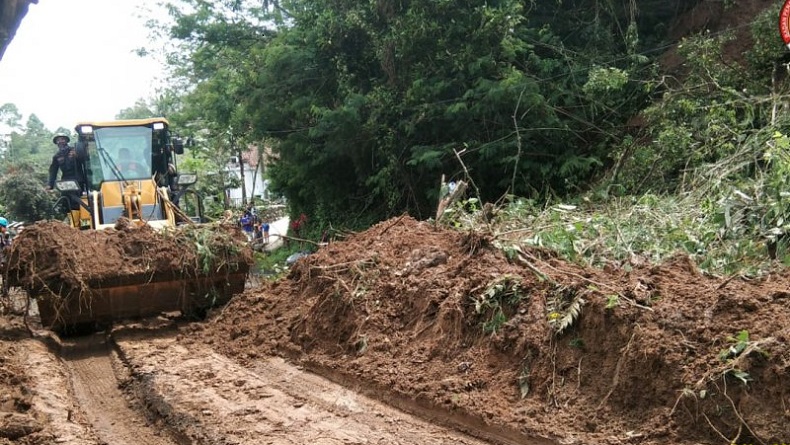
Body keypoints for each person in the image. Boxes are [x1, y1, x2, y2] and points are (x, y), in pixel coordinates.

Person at [47, 133, 88, 227]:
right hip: (66, 181)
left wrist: (77, 156)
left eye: (62, 139)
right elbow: (53, 170)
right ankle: (71, 223)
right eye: (58, 140)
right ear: (56, 143)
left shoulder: (74, 150)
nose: (60, 141)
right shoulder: (57, 156)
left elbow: (85, 159)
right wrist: (50, 185)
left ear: (66, 141)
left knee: (77, 202)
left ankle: (78, 224)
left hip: (77, 180)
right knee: (65, 202)